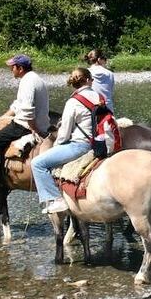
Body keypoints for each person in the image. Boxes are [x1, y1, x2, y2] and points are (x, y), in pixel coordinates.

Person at [32, 67, 100, 214]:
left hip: (80, 145)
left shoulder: (73, 102)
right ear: (88, 80)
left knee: (37, 163)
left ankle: (56, 199)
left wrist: (57, 144)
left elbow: (64, 133)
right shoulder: (98, 97)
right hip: (98, 142)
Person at [0, 54, 50, 190]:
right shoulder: (34, 78)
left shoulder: (27, 82)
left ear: (20, 68)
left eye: (12, 67)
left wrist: (34, 129)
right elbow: (18, 105)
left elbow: (27, 111)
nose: (11, 70)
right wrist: (1, 118)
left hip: (25, 125)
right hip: (38, 122)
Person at [85, 48, 115, 113]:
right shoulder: (110, 74)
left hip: (91, 108)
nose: (106, 61)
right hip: (108, 109)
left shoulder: (86, 73)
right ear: (99, 59)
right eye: (105, 59)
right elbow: (110, 93)